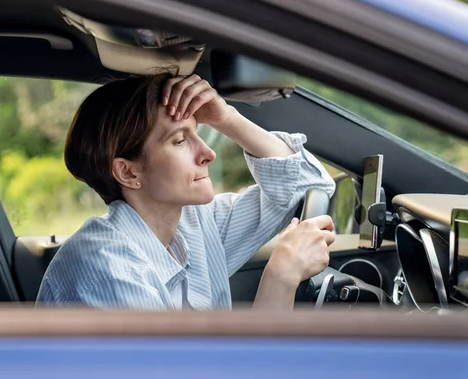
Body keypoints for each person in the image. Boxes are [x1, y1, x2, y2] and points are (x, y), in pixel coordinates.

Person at [36, 72, 336, 310]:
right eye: (180, 141)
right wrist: (280, 278)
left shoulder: (192, 223)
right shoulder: (107, 267)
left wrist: (227, 119)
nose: (208, 153)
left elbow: (308, 184)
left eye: (198, 133)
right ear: (128, 172)